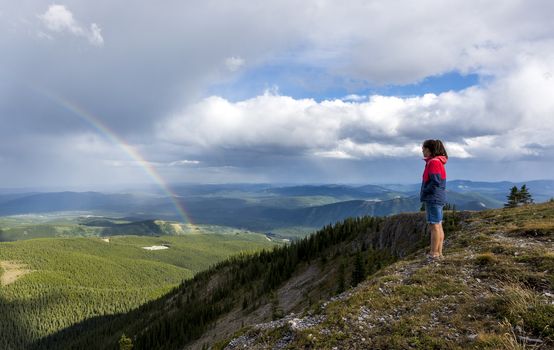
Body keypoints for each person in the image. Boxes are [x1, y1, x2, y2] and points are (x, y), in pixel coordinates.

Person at [420, 139, 448, 261]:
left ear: (430, 150)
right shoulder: (437, 162)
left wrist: (425, 190)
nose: (422, 151)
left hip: (433, 198)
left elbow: (435, 181)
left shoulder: (434, 162)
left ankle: (434, 254)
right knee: (438, 225)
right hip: (437, 197)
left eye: (424, 149)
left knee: (434, 226)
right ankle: (439, 253)